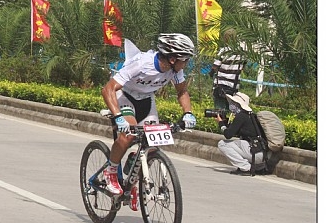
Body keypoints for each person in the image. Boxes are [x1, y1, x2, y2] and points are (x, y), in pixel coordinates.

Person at [101, 33, 197, 209]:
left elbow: (182, 91)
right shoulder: (142, 63)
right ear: (172, 58)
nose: (186, 63)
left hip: (146, 100)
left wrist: (188, 113)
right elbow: (108, 89)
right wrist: (118, 116)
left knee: (152, 145)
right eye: (185, 59)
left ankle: (133, 178)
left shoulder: (175, 70)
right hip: (126, 97)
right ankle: (111, 171)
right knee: (128, 135)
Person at [215, 92, 266, 176]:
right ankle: (252, 166)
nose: (231, 105)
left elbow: (228, 135)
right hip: (261, 154)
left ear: (239, 104)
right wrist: (225, 122)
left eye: (233, 103)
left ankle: (246, 168)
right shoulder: (250, 115)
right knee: (239, 143)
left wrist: (220, 123)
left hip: (254, 153)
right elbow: (235, 130)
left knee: (222, 144)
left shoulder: (241, 116)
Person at [210, 30, 246, 111]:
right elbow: (243, 67)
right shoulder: (241, 52)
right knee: (231, 110)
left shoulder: (224, 51)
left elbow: (215, 66)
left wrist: (211, 73)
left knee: (219, 111)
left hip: (221, 86)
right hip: (233, 87)